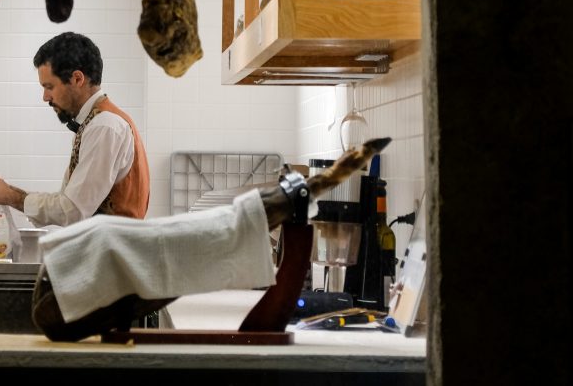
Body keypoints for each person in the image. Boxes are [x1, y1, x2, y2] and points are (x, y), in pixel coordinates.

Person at [30, 137, 391, 342]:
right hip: (78, 268)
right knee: (180, 242)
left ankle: (296, 194)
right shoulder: (56, 306)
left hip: (82, 263)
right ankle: (297, 193)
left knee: (179, 242)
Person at [0, 31, 150, 226]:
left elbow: (72, 211)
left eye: (49, 86)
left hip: (109, 254)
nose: (45, 97)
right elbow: (65, 204)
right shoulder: (97, 123)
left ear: (77, 79)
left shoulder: (104, 127)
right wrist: (7, 192)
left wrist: (10, 196)